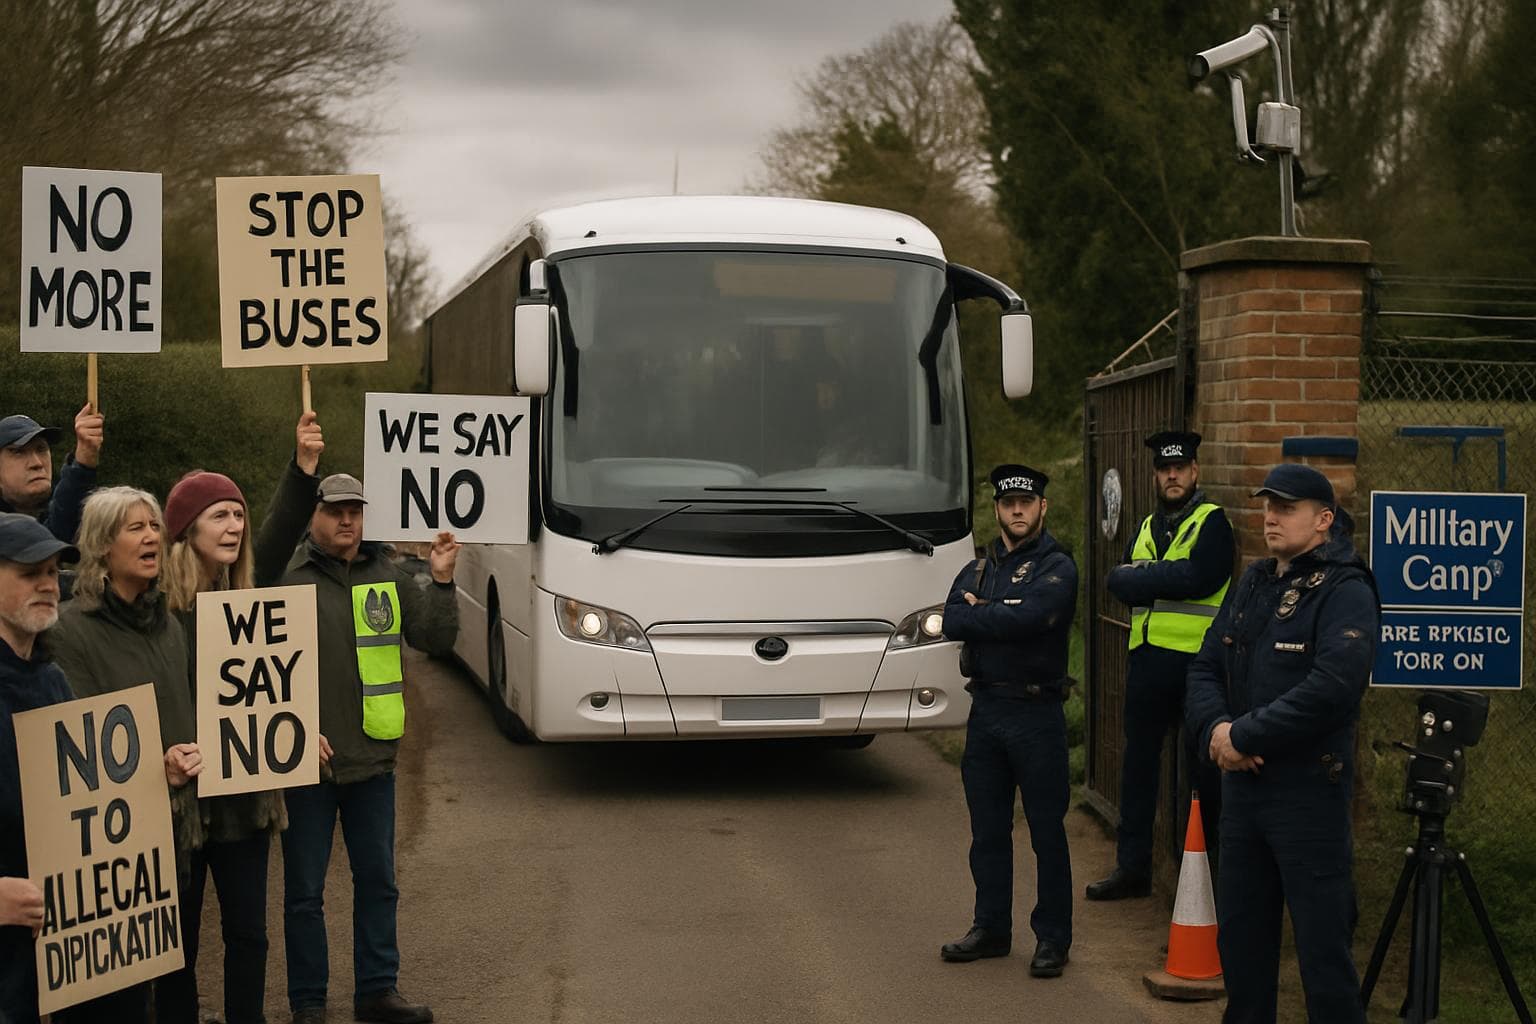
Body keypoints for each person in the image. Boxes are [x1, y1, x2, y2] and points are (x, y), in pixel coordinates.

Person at [1185, 464, 1379, 1024]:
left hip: (1308, 796)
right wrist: (1217, 732)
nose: (1271, 516)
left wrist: (1244, 733)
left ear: (1323, 520)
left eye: (1286, 507)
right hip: (1244, 792)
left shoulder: (1346, 588)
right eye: (1269, 505)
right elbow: (1205, 667)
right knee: (1242, 950)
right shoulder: (1254, 581)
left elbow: (1334, 687)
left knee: (1323, 957)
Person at [156, 411, 330, 1024]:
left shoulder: (248, 604)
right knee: (176, 945)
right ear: (185, 530)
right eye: (219, 515)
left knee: (249, 936)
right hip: (181, 803)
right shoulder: (158, 614)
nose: (234, 525)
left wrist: (297, 728)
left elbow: (279, 537)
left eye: (238, 515)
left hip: (244, 801)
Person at [278, 473, 460, 1024]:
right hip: (305, 762)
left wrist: (442, 581)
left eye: (355, 511)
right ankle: (308, 1002)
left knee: (378, 882)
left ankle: (377, 992)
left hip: (373, 758)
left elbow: (433, 638)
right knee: (304, 894)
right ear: (314, 515)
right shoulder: (285, 576)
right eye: (336, 511)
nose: (348, 521)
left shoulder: (387, 571)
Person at [49, 487, 204, 1023]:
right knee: (114, 993)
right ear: (99, 545)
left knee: (175, 969)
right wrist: (150, 769)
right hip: (109, 848)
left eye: (155, 526)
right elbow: (77, 742)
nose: (152, 537)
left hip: (176, 829)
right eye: (134, 528)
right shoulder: (69, 630)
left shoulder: (168, 624)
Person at [939, 464, 1078, 978]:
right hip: (988, 712)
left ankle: (1053, 939)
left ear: (1042, 507)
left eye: (1026, 502)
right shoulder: (978, 569)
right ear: (996, 510)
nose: (1017, 510)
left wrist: (988, 613)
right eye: (1007, 504)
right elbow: (951, 618)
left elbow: (1036, 618)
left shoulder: (1058, 566)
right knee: (988, 832)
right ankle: (992, 928)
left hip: (1037, 713)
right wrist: (999, 610)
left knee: (1047, 832)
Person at [1087, 431, 1231, 900]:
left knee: (1203, 776)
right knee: (1138, 770)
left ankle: (1206, 883)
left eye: (1180, 468)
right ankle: (1133, 870)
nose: (1172, 475)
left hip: (1198, 668)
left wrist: (1145, 578)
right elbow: (1116, 581)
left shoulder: (1213, 523)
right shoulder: (1147, 526)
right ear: (1156, 476)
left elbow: (1201, 577)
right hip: (1148, 664)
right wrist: (1154, 578)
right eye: (1164, 469)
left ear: (1194, 472)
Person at [0, 514, 77, 1024]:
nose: (49, 584)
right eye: (31, 572)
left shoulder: (54, 682)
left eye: (53, 572)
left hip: (44, 942)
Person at [0, 408, 104, 544]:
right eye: (18, 452)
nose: (37, 463)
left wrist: (85, 454)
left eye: (41, 449)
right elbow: (43, 545)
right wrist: (82, 464)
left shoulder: (83, 513)